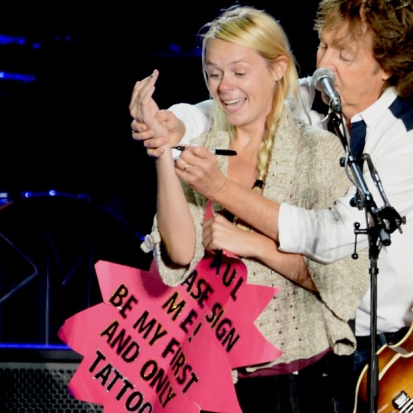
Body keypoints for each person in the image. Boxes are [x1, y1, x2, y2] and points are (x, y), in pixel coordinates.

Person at [132, 1, 413, 412]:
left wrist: (221, 190)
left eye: (344, 55)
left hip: (408, 344)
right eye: (323, 46)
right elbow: (242, 104)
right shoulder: (320, 96)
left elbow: (333, 238)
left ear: (388, 67)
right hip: (335, 341)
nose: (325, 63)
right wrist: (179, 122)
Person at [129, 6, 369, 413]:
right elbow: (179, 255)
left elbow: (341, 282)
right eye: (214, 73)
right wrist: (163, 153)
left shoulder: (319, 152)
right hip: (209, 376)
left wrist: (254, 243)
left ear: (277, 69)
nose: (224, 87)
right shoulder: (204, 148)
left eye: (239, 72)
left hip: (294, 382)